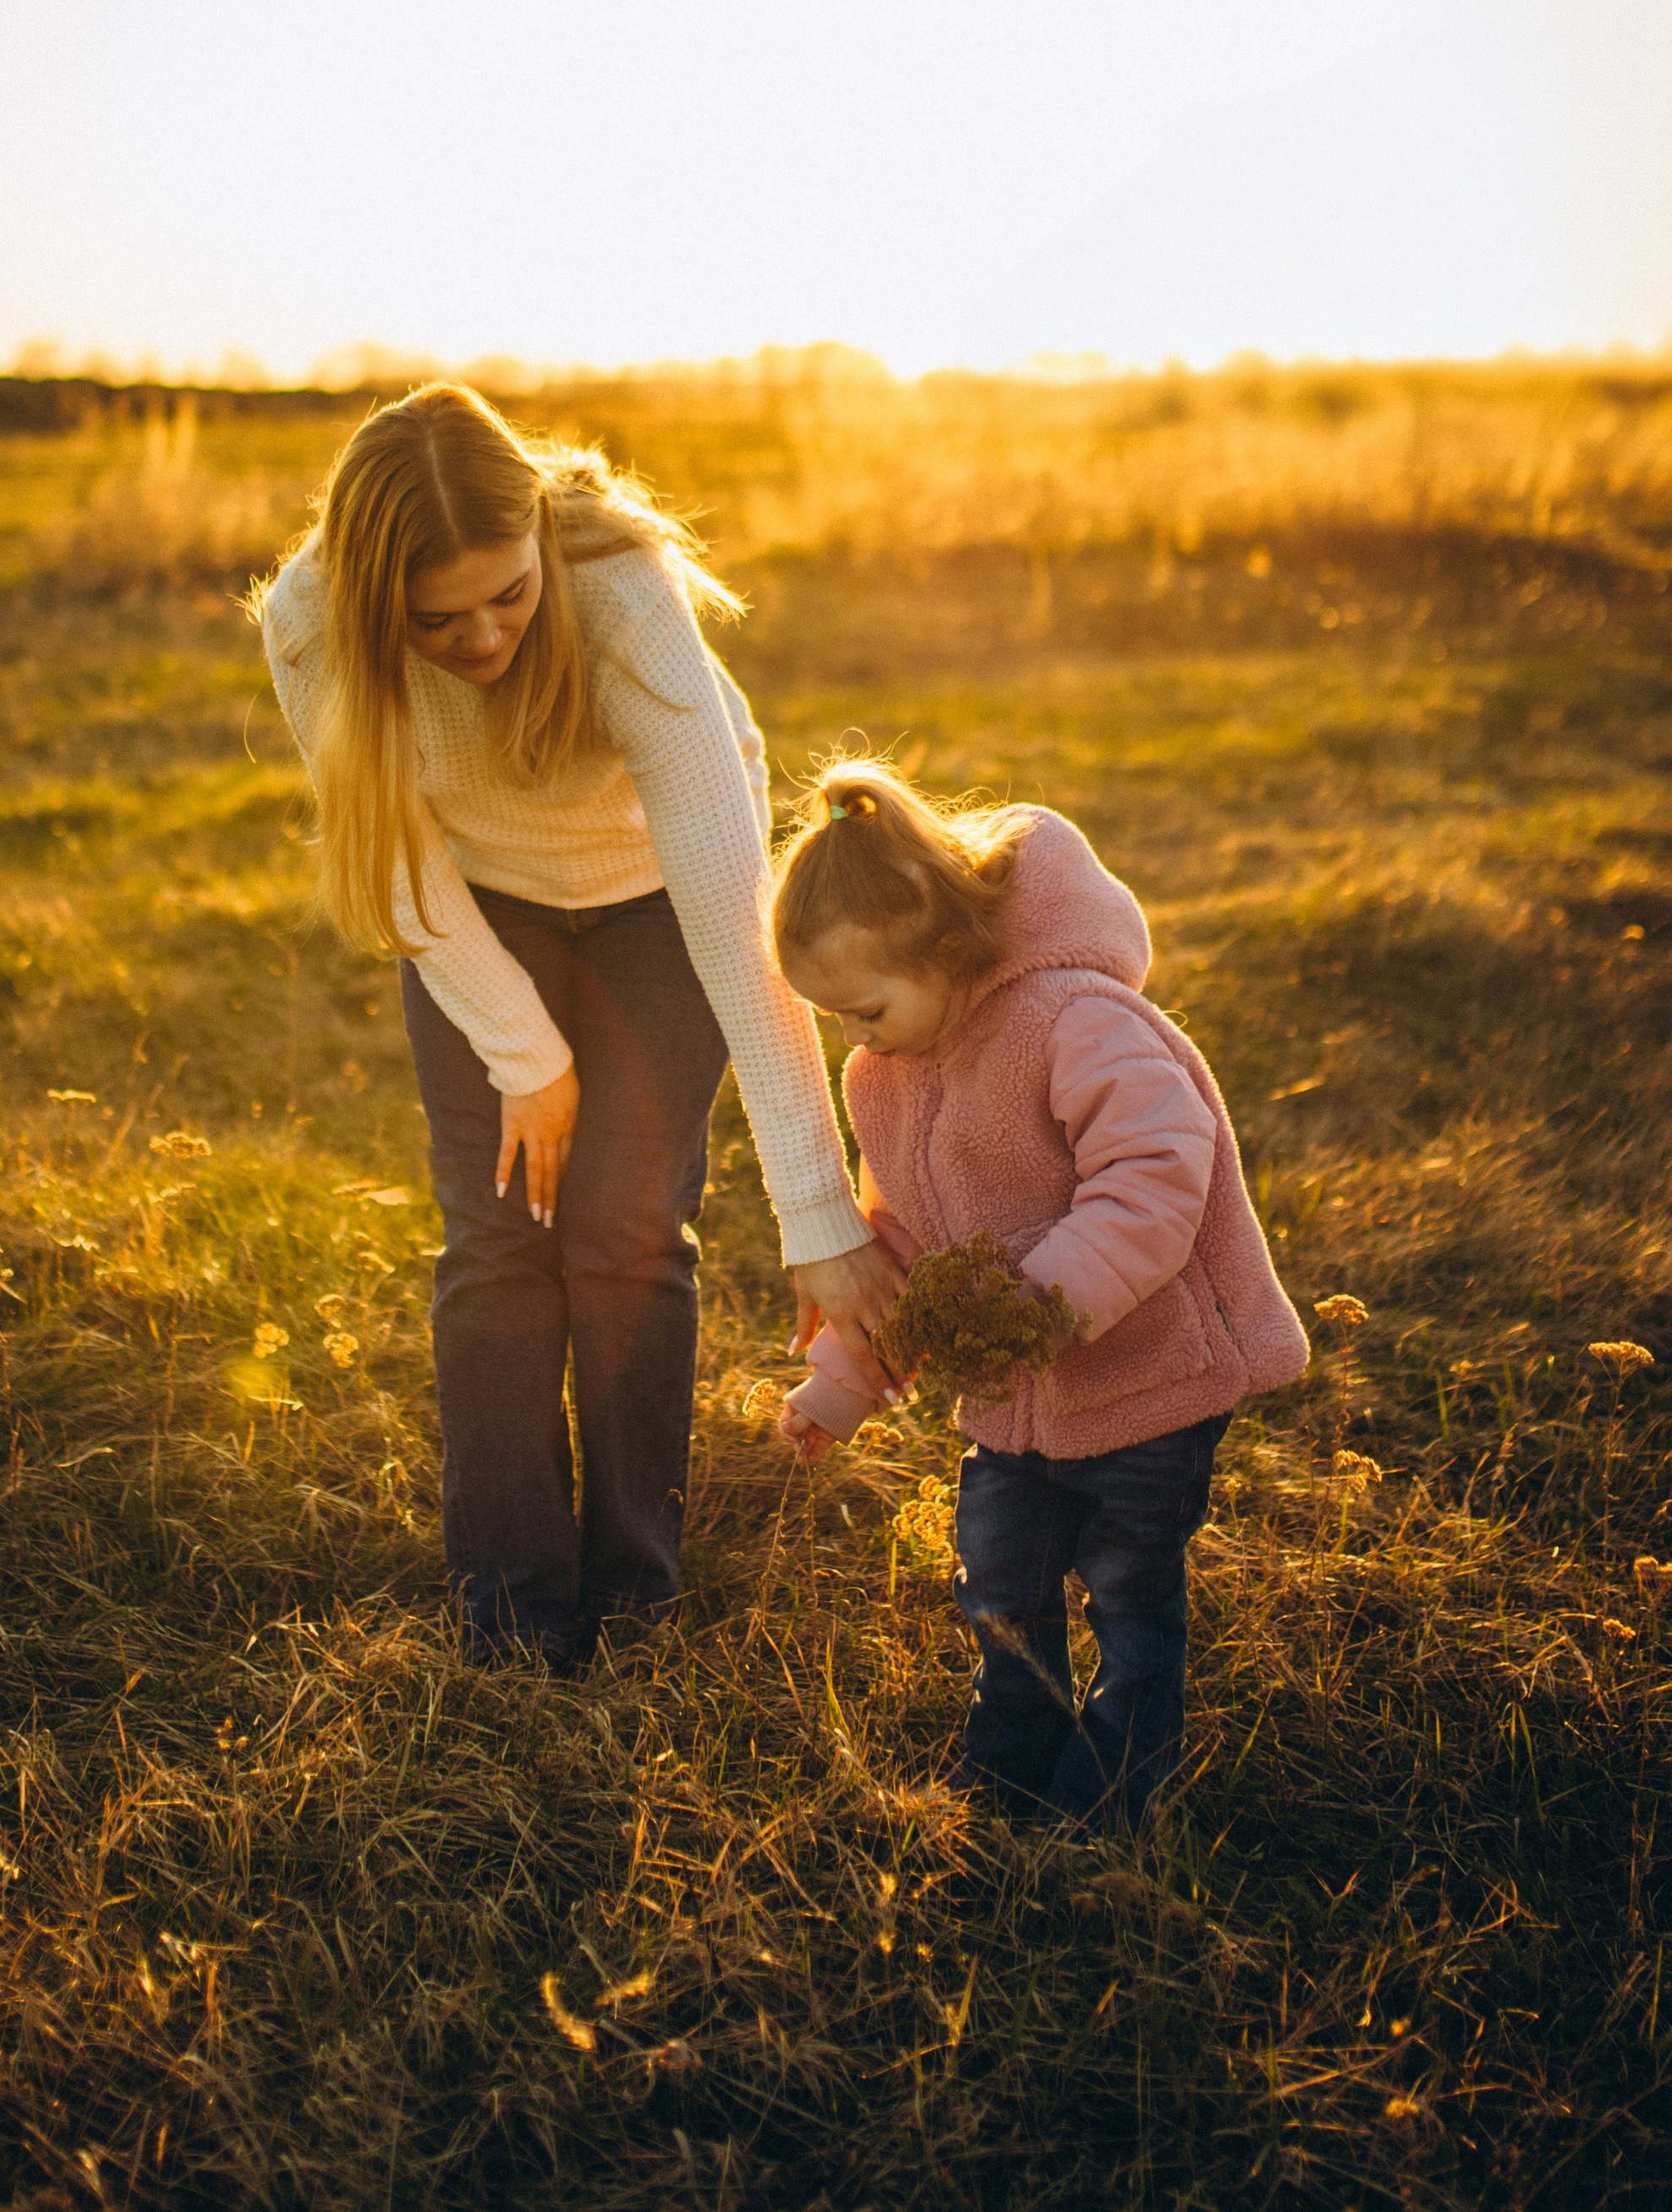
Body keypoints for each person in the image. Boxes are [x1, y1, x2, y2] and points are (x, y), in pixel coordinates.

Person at [254, 383, 898, 1664]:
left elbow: (730, 917)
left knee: (623, 1225)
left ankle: (635, 1592)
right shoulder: (308, 620)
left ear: (542, 546)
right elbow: (396, 859)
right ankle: (511, 1603)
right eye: (435, 618)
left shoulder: (623, 589)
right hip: (479, 899)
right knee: (497, 1235)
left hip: (657, 891)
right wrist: (524, 1052)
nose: (482, 634)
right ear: (376, 598)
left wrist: (819, 1215)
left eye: (508, 595)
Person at [769, 761, 1308, 1825]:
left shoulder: (1077, 1018)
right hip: (1012, 1414)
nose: (852, 1036)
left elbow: (1155, 1178)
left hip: (1148, 1385)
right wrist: (842, 1378)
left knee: (1128, 1597)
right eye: (832, 1017)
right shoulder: (882, 1076)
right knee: (998, 1587)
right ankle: (1006, 1773)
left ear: (942, 948)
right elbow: (903, 1249)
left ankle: (1106, 1805)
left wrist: (1035, 1305)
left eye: (865, 1006)